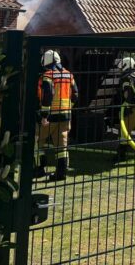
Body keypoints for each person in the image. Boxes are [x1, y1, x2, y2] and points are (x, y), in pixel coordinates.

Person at [35, 50, 78, 181]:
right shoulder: (69, 75)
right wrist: (69, 108)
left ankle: (39, 169)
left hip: (50, 117)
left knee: (36, 142)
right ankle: (61, 173)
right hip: (66, 115)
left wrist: (44, 115)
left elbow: (47, 96)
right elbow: (75, 94)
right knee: (62, 146)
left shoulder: (48, 76)